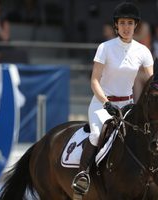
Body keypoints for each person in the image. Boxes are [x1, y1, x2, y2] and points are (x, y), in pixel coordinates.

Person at [72, 2, 154, 196]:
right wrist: (106, 102)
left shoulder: (143, 51)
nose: (126, 27)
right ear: (116, 25)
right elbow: (94, 81)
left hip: (128, 105)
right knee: (96, 134)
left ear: (136, 26)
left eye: (130, 23)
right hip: (103, 104)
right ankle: (83, 175)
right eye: (123, 23)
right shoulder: (105, 48)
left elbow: (152, 84)